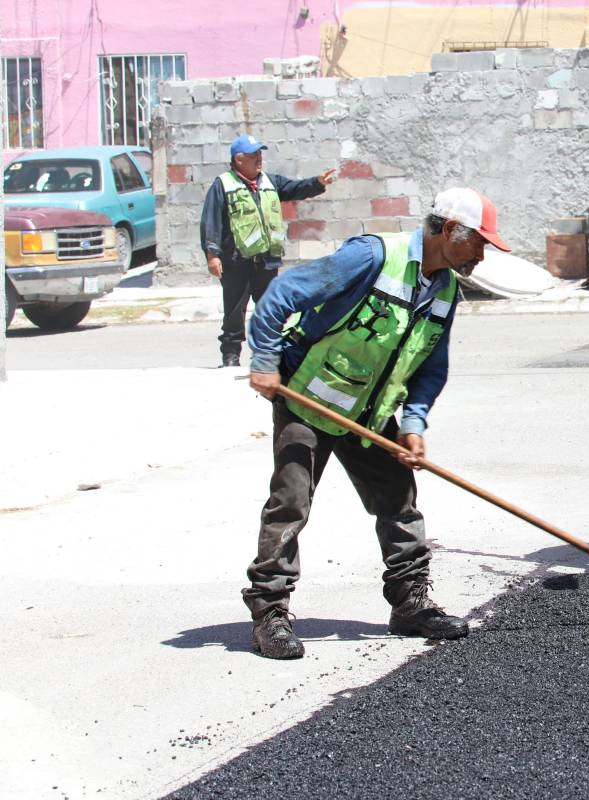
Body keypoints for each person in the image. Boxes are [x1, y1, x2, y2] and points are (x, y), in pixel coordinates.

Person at [242, 187, 511, 659]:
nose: (481, 255)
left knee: (399, 501)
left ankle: (410, 605)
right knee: (290, 504)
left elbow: (430, 366)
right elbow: (283, 294)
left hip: (368, 413)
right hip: (308, 399)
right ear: (450, 230)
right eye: (478, 242)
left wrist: (414, 423)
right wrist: (265, 359)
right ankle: (270, 613)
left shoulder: (446, 290)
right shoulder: (372, 257)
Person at [200, 134, 335, 368]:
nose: (259, 159)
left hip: (266, 261)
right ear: (239, 159)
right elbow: (211, 221)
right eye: (253, 155)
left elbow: (294, 188)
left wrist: (317, 183)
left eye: (260, 154)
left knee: (269, 309)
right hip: (236, 261)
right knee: (234, 312)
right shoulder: (223, 185)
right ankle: (231, 356)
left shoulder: (269, 181)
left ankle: (266, 356)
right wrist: (213, 255)